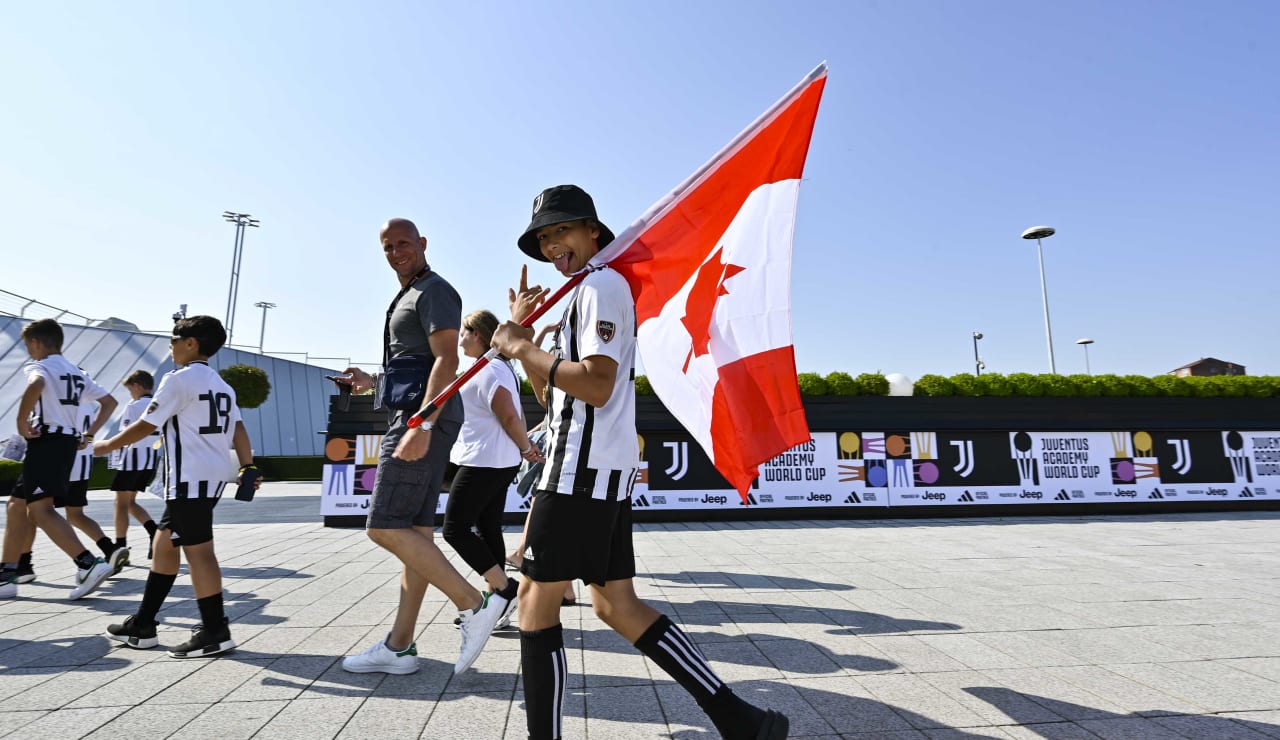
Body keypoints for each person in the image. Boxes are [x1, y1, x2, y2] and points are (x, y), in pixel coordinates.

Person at [491, 185, 790, 740]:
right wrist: (529, 339)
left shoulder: (602, 285)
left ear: (594, 234)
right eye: (544, 236)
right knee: (617, 605)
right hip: (593, 470)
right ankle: (741, 719)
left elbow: (599, 386)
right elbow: (550, 396)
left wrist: (518, 348)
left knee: (535, 603)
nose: (553, 243)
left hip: (580, 473)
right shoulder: (582, 294)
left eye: (563, 230)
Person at [334, 217, 507, 676]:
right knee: (416, 534)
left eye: (403, 243)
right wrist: (372, 382)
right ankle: (399, 646)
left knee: (383, 526)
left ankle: (474, 604)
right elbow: (419, 363)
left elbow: (448, 359)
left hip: (421, 422)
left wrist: (422, 422)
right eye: (388, 246)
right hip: (414, 414)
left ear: (423, 244)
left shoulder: (434, 291)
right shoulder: (408, 293)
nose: (396, 252)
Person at [93, 315, 260, 658]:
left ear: (191, 343)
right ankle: (143, 624)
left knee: (199, 552)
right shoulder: (221, 385)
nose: (170, 347)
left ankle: (215, 631)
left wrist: (106, 446)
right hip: (209, 477)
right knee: (165, 542)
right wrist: (248, 465)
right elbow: (239, 430)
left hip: (189, 479)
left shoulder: (178, 380)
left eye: (173, 340)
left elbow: (146, 424)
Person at [0, 319, 117, 600]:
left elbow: (36, 384)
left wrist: (20, 420)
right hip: (64, 442)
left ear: (37, 343)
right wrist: (89, 434)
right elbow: (109, 402)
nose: (29, 351)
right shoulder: (74, 370)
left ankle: (88, 563)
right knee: (17, 505)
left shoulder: (41, 367)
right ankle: (6, 575)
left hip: (48, 442)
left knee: (40, 510)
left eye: (29, 346)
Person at [442, 309, 543, 630]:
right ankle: (496, 603)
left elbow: (509, 415)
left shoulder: (489, 370)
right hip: (493, 459)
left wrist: (526, 447)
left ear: (479, 335)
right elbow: (511, 413)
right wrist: (523, 447)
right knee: (487, 528)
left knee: (454, 529)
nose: (460, 340)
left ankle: (505, 589)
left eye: (464, 333)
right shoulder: (492, 368)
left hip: (485, 460)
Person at [108, 370, 160, 559]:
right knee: (129, 502)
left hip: (132, 459)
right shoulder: (158, 404)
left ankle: (119, 546)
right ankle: (153, 532)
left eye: (131, 389)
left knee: (120, 503)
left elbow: (126, 434)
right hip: (149, 458)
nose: (131, 393)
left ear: (137, 386)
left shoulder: (135, 405)